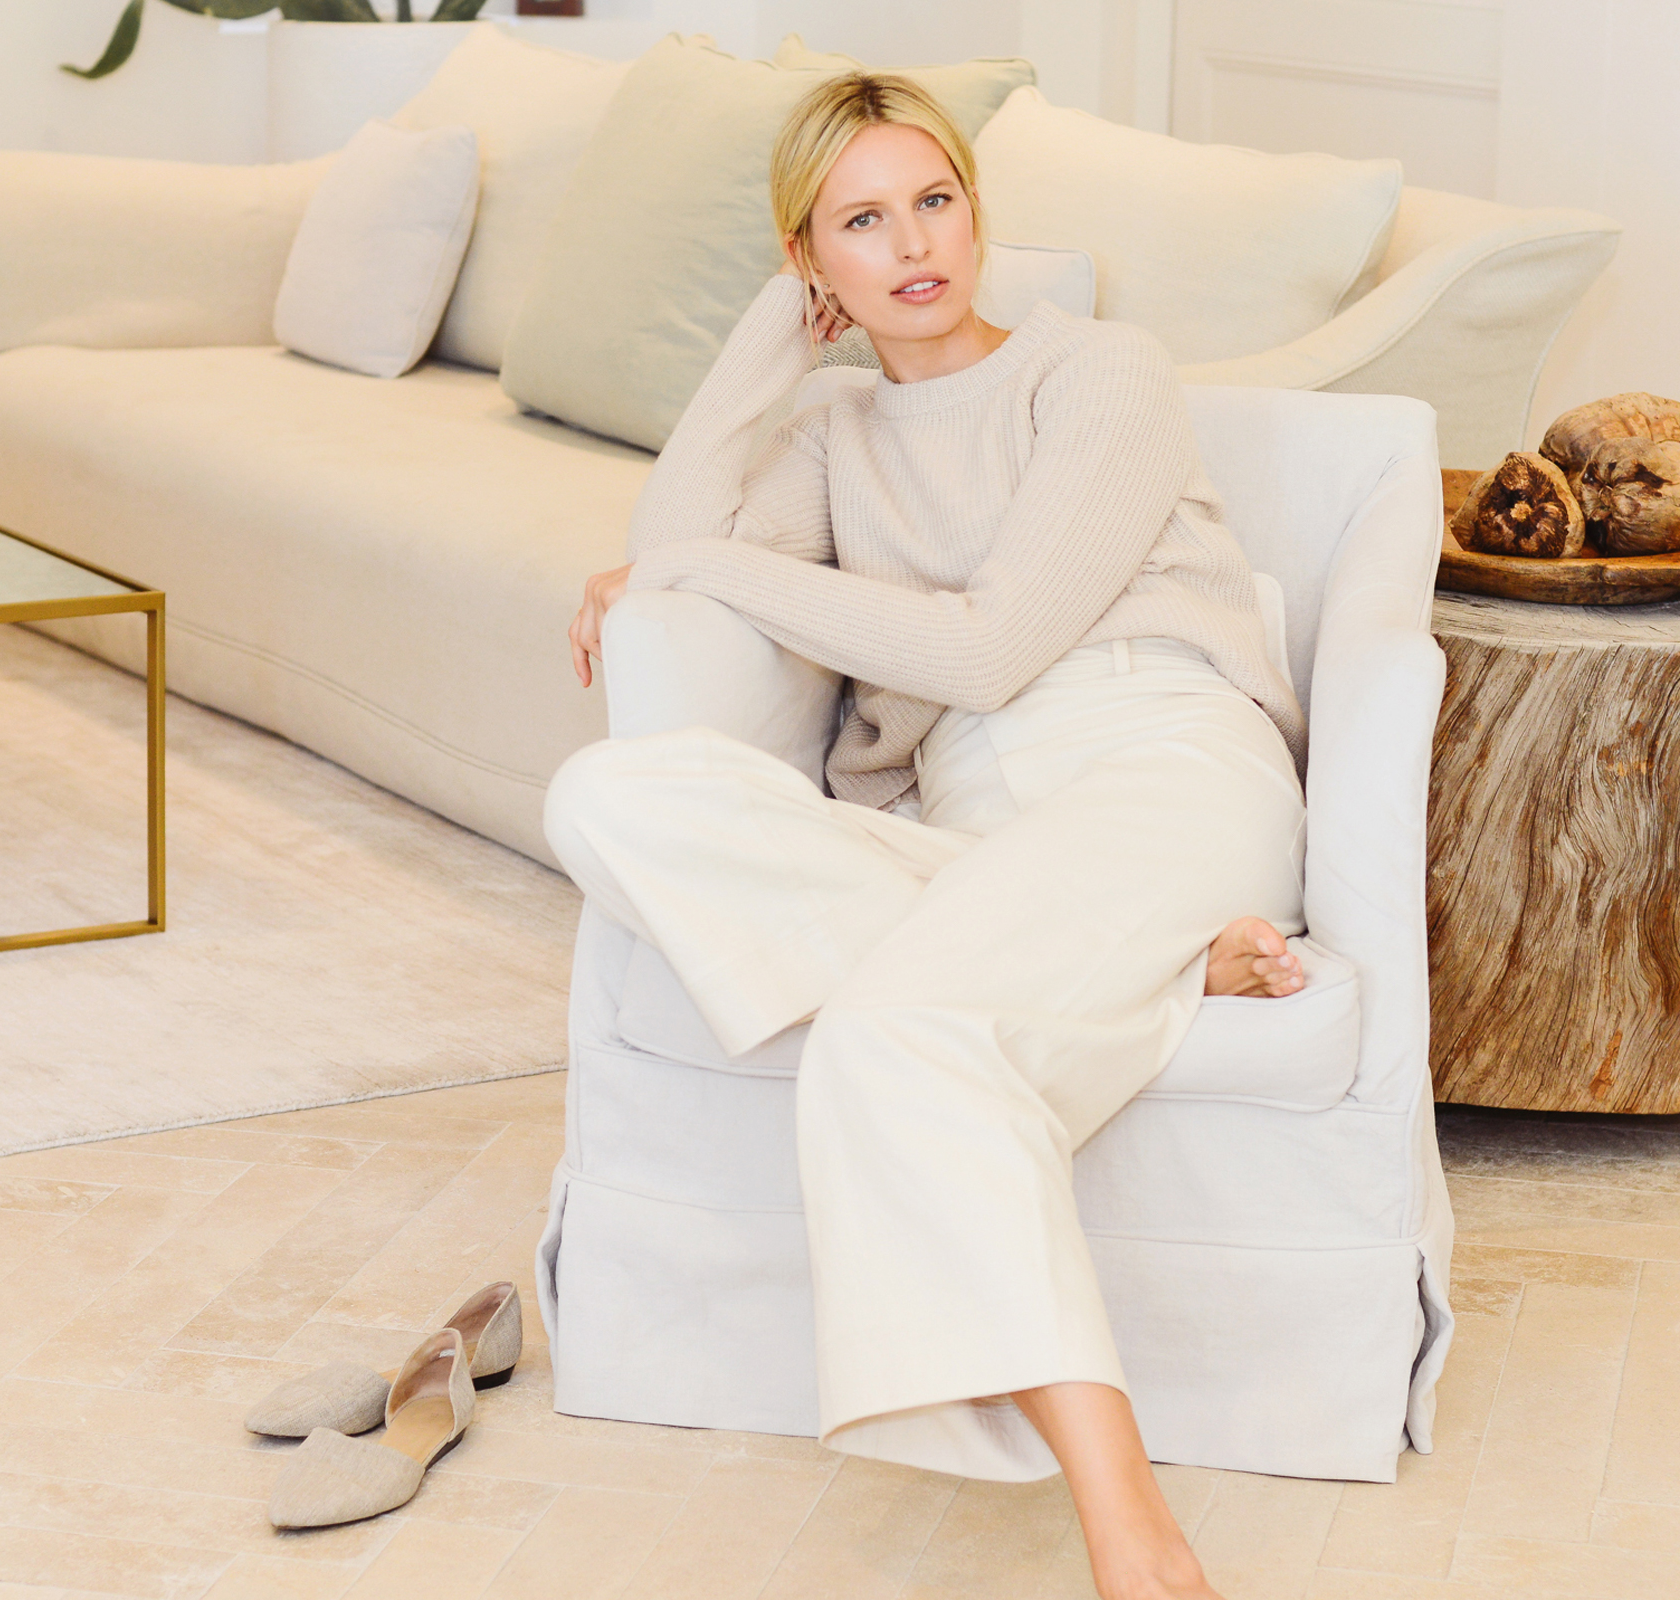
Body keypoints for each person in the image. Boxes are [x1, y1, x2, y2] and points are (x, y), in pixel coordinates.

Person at [544, 72, 1309, 1600]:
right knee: (601, 796)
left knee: (894, 1036)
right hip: (972, 840)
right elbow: (672, 556)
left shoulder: (1102, 370)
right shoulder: (836, 432)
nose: (914, 246)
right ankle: (1159, 980)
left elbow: (982, 650)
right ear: (811, 258)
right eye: (861, 222)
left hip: (1154, 755)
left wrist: (704, 562)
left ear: (976, 208)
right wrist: (770, 347)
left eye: (936, 200)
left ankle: (1128, 1527)